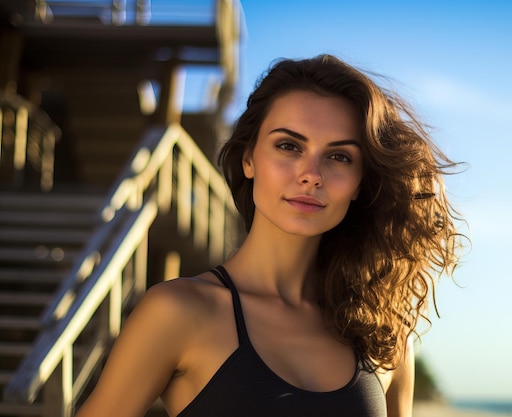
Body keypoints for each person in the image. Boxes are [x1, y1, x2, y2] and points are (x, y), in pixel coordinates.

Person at [75, 54, 463, 417]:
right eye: (289, 146)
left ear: (360, 183)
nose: (311, 173)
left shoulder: (385, 334)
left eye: (339, 156)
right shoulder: (179, 311)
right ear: (249, 159)